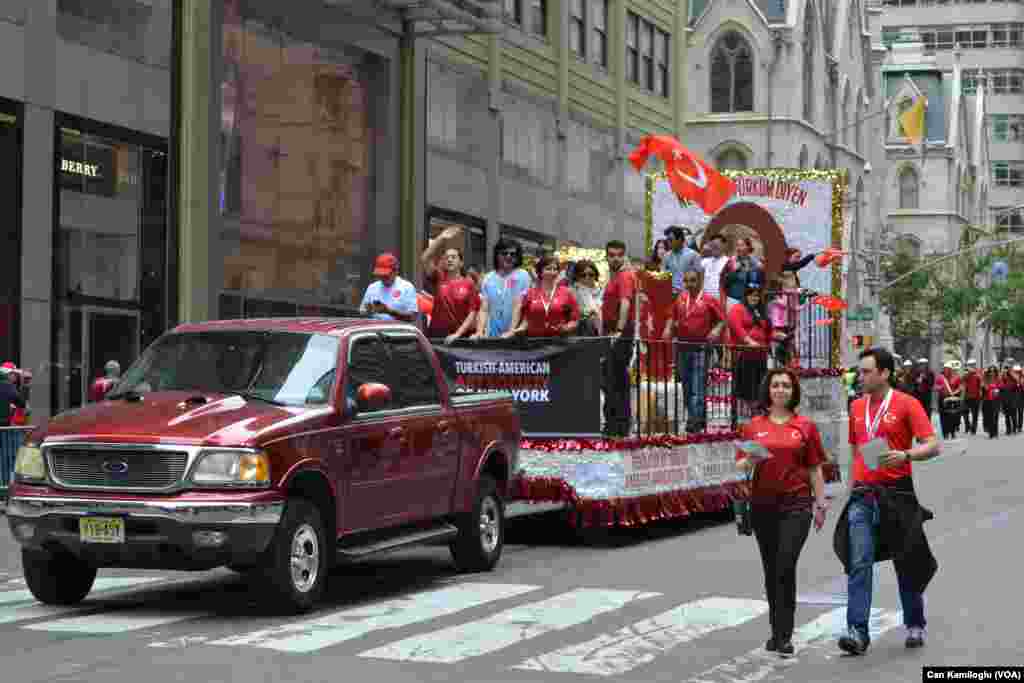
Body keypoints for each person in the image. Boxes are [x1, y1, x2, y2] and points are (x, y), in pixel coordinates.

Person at [836, 347, 940, 655]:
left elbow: (932, 445)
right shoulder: (856, 407)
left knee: (906, 560)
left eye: (867, 371)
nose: (861, 376)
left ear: (884, 373)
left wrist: (906, 454)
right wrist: (852, 487)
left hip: (898, 494)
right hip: (863, 496)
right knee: (859, 561)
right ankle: (857, 631)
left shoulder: (907, 404)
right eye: (860, 371)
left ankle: (915, 622)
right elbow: (857, 450)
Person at [736, 368, 828, 657]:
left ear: (793, 391)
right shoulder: (753, 427)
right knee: (771, 570)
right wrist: (750, 459)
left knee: (785, 566)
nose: (780, 390)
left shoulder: (805, 426)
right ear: (768, 391)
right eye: (775, 385)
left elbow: (815, 467)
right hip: (763, 506)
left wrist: (821, 503)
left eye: (786, 385)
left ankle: (785, 635)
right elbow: (741, 466)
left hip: (797, 505)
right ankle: (776, 633)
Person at [662, 268, 726, 433]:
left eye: (693, 280)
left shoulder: (709, 299)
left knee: (698, 386)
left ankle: (694, 423)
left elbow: (722, 320)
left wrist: (716, 331)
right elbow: (671, 316)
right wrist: (668, 329)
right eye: (686, 281)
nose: (689, 284)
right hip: (682, 348)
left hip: (701, 348)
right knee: (687, 386)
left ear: (700, 282)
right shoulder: (680, 299)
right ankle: (698, 418)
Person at [727, 274, 781, 419]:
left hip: (760, 354)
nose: (754, 298)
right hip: (744, 354)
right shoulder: (737, 309)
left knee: (760, 384)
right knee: (746, 385)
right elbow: (736, 328)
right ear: (746, 295)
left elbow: (767, 330)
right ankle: (745, 416)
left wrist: (776, 336)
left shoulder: (760, 311)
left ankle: (758, 410)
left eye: (757, 296)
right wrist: (749, 341)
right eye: (751, 295)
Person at [602, 240, 637, 437]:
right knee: (613, 379)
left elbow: (625, 303)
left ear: (624, 256)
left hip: (619, 333)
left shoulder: (624, 276)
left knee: (615, 379)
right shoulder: (614, 277)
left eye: (618, 255)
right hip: (611, 333)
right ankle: (616, 424)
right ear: (606, 256)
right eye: (611, 255)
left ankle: (617, 425)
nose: (615, 258)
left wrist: (619, 329)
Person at [505, 254, 580, 338]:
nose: (552, 272)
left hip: (559, 342)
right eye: (548, 269)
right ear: (540, 271)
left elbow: (575, 319)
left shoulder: (566, 293)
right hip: (534, 343)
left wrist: (566, 328)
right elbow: (525, 317)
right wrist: (516, 329)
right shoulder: (530, 293)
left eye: (555, 269)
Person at [422, 242, 480, 344]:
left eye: (453, 257)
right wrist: (441, 238)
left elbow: (472, 313)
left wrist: (457, 334)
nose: (449, 260)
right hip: (436, 338)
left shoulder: (469, 284)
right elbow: (425, 258)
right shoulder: (438, 278)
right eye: (446, 258)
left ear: (461, 263)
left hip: (459, 339)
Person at [473, 239, 532, 338]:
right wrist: (479, 331)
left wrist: (511, 331)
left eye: (513, 254)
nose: (508, 256)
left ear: (517, 257)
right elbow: (484, 309)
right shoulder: (488, 278)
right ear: (497, 255)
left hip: (515, 335)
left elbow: (519, 305)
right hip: (492, 334)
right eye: (504, 253)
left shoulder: (523, 275)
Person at [359, 253, 419, 322]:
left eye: (386, 275)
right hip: (375, 330)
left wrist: (389, 312)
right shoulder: (372, 287)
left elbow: (413, 317)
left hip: (398, 331)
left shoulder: (407, 287)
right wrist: (368, 310)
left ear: (396, 271)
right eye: (380, 275)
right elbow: (362, 312)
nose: (383, 278)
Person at [662, 226, 702, 297]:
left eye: (670, 240)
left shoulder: (693, 255)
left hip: (688, 295)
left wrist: (696, 296)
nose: (668, 242)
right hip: (671, 295)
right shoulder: (666, 256)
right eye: (667, 240)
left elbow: (700, 277)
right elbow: (663, 277)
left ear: (679, 239)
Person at [569, 259, 603, 337]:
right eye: (583, 275)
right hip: (580, 334)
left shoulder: (602, 291)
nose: (587, 277)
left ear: (596, 275)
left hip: (601, 333)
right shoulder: (572, 292)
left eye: (591, 274)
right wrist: (586, 313)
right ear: (577, 276)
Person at [700, 234, 730, 305]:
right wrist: (703, 251)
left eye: (717, 245)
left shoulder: (728, 262)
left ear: (724, 245)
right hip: (705, 300)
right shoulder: (705, 261)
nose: (714, 247)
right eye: (712, 245)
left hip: (719, 301)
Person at [936, 362, 962, 440]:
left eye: (949, 369)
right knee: (943, 417)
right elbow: (935, 386)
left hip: (953, 399)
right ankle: (945, 433)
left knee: (953, 417)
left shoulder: (956, 377)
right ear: (943, 369)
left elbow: (960, 387)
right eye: (946, 369)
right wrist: (940, 388)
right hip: (942, 399)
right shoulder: (940, 378)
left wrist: (956, 392)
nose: (947, 370)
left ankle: (953, 432)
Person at [962, 359, 982, 435]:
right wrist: (968, 373)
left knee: (975, 414)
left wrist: (974, 373)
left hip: (976, 396)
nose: (971, 366)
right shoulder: (966, 372)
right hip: (967, 396)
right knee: (964, 413)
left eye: (973, 364)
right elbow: (963, 379)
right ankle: (967, 426)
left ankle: (973, 429)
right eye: (970, 365)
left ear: (975, 364)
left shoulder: (978, 372)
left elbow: (981, 380)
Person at [981, 366, 1002, 439]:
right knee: (989, 417)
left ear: (995, 372)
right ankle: (991, 433)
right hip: (987, 400)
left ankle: (995, 432)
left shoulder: (998, 379)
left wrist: (997, 390)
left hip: (996, 401)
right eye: (990, 371)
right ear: (988, 372)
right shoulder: (986, 379)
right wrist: (985, 386)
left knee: (995, 417)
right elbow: (984, 388)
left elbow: (1000, 387)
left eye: (993, 371)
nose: (992, 373)